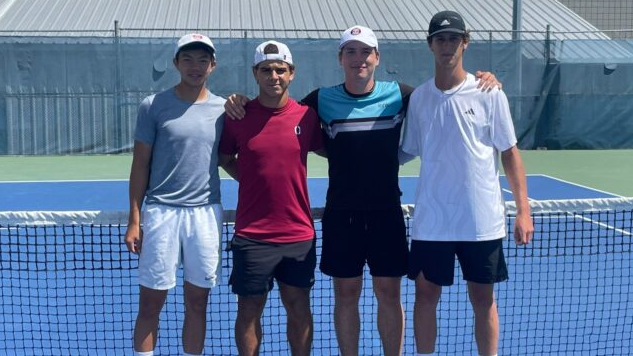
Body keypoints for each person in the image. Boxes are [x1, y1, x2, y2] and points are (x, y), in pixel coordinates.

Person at [225, 26, 501, 355]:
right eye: (351, 52)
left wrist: (482, 80)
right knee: (346, 294)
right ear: (341, 58)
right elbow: (276, 112)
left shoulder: (402, 95)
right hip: (343, 215)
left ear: (377, 57)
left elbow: (444, 92)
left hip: (386, 213)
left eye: (365, 51)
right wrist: (238, 100)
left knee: (388, 293)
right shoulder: (320, 100)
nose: (359, 59)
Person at [401, 11, 534, 356]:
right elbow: (407, 151)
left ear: (465, 42)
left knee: (482, 299)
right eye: (441, 39)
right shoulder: (419, 99)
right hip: (432, 222)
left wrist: (523, 211)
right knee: (425, 296)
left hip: (481, 222)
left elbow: (510, 153)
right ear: (430, 45)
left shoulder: (489, 93)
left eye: (454, 39)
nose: (448, 46)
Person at [125, 33, 233, 356]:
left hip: (205, 215)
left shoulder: (225, 110)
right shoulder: (153, 106)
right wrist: (135, 219)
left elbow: (231, 160)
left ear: (212, 65)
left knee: (198, 301)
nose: (195, 66)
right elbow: (140, 165)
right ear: (176, 63)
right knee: (151, 303)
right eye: (187, 59)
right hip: (160, 214)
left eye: (203, 60)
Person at [218, 41, 324, 356]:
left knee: (299, 307)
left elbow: (335, 152)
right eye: (266, 69)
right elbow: (224, 158)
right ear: (255, 73)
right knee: (249, 309)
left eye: (280, 69)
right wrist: (250, 178)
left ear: (291, 74)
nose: (273, 76)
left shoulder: (307, 117)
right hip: (252, 236)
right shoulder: (237, 115)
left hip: (297, 234)